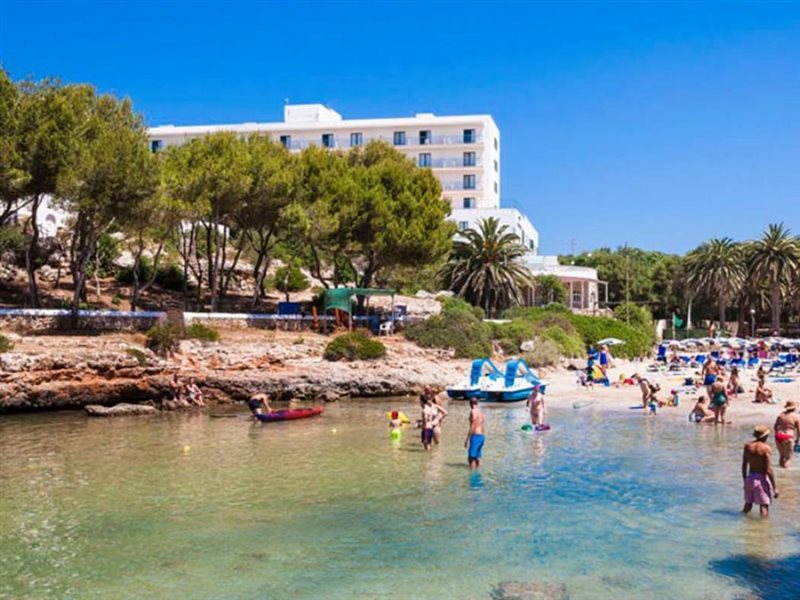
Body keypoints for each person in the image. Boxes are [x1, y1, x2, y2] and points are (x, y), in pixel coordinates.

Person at [742, 425, 779, 517]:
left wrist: (745, 480)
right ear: (765, 436)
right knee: (764, 507)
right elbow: (769, 469)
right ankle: (764, 525)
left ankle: (742, 522)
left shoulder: (747, 446)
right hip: (761, 480)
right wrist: (775, 487)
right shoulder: (766, 448)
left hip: (750, 478)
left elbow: (744, 465)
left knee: (747, 505)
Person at [773, 401, 800, 468]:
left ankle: (780, 469)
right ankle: (785, 472)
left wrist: (776, 435)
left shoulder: (781, 415)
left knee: (781, 456)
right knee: (788, 458)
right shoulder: (796, 417)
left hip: (778, 436)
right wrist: (797, 440)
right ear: (794, 408)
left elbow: (775, 427)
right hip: (788, 436)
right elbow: (799, 430)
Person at [464, 398, 485, 469]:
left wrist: (467, 439)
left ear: (470, 404)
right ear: (477, 403)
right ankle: (479, 472)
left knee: (471, 458)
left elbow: (473, 425)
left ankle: (472, 474)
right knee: (478, 457)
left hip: (475, 436)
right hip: (482, 436)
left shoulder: (473, 411)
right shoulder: (481, 412)